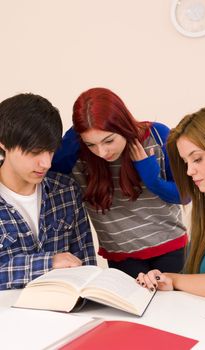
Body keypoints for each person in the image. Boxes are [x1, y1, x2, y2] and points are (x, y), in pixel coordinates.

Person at [52, 87, 187, 278]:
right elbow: (44, 174)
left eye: (109, 141)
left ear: (122, 125)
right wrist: (73, 138)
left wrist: (152, 180)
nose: (101, 152)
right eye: (91, 144)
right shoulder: (77, 152)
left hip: (171, 248)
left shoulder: (157, 136)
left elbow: (186, 196)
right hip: (121, 257)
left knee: (173, 307)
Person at [0, 93, 96, 290]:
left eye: (51, 151)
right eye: (35, 152)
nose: (46, 163)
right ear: (3, 144)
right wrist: (48, 263)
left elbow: (86, 265)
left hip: (66, 314)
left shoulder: (66, 190)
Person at [137, 105, 205, 300]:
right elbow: (199, 272)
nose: (189, 171)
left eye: (197, 159)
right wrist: (164, 279)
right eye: (186, 162)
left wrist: (174, 279)